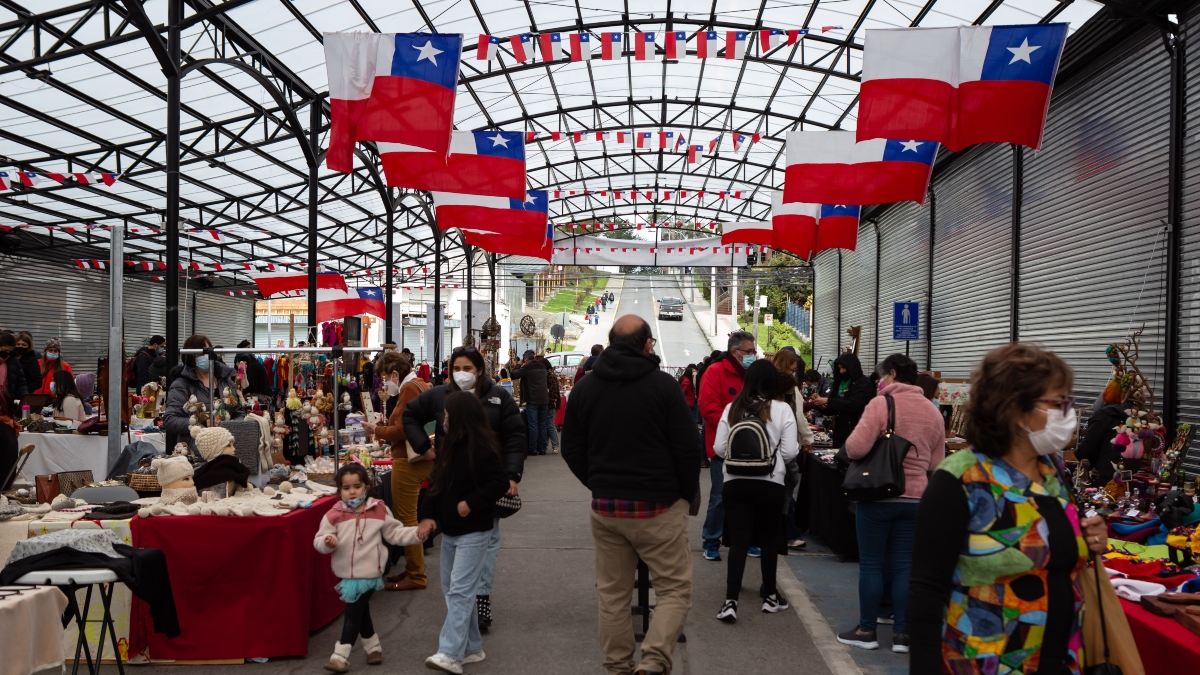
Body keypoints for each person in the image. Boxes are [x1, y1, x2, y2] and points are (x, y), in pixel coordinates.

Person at [908, 343, 1109, 673]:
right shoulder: (961, 478)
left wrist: (1090, 539)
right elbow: (926, 589)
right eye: (1056, 403)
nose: (1067, 412)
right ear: (1014, 407)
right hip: (986, 663)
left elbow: (1054, 551)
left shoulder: (1054, 470)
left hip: (1062, 659)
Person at [561, 315, 701, 675]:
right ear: (647, 344)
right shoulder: (664, 387)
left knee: (613, 595)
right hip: (659, 507)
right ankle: (653, 662)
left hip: (607, 509)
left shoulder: (586, 388)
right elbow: (687, 449)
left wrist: (598, 483)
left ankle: (618, 666)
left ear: (610, 343)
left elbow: (571, 448)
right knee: (673, 591)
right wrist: (686, 496)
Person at [404, 346, 525, 632]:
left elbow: (515, 436)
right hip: (450, 483)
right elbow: (410, 415)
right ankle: (463, 605)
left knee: (488, 539)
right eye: (456, 368)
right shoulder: (438, 396)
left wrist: (511, 475)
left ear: (480, 370)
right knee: (455, 541)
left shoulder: (498, 398)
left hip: (487, 483)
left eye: (468, 368)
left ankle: (480, 597)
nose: (462, 374)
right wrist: (425, 449)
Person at [834, 354, 947, 654]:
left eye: (880, 376)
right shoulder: (933, 412)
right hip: (916, 499)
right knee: (904, 566)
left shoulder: (881, 404)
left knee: (871, 564)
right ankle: (902, 635)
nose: (877, 382)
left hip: (878, 495)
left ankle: (866, 630)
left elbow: (856, 447)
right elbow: (936, 461)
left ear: (893, 374)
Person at [416, 392, 511, 674]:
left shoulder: (482, 448)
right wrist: (428, 517)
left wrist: (471, 503)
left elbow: (498, 483)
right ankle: (471, 647)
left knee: (459, 590)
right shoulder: (448, 447)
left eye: (447, 414)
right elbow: (435, 484)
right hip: (451, 531)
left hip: (475, 530)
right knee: (452, 590)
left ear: (458, 417)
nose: (444, 419)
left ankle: (450, 653)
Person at [711, 360, 799, 622]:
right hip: (770, 482)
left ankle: (730, 601)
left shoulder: (732, 408)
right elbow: (790, 452)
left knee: (739, 541)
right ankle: (770, 596)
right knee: (769, 540)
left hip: (734, 482)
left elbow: (718, 448)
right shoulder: (782, 409)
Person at [314, 463, 424, 672]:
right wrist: (327, 542)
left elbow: (395, 533)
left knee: (352, 612)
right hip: (345, 573)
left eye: (357, 486)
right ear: (339, 490)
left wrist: (416, 534)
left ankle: (340, 655)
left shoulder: (379, 509)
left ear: (366, 486)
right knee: (361, 611)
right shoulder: (333, 514)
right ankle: (373, 648)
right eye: (346, 488)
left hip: (370, 572)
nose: (352, 491)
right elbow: (319, 540)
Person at [362, 352, 431, 591]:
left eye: (384, 377)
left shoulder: (409, 388)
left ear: (394, 373)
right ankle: (413, 569)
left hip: (409, 460)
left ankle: (416, 574)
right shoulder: (419, 384)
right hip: (416, 458)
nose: (384, 384)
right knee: (407, 516)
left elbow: (402, 430)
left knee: (406, 518)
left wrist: (376, 430)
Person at [698, 331, 758, 562]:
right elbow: (709, 410)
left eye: (754, 352)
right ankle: (711, 540)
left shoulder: (752, 375)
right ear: (735, 352)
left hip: (753, 449)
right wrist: (739, 426)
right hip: (723, 447)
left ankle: (748, 540)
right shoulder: (715, 372)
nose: (753, 355)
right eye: (749, 352)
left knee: (749, 497)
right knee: (720, 496)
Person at [163, 334, 245, 448]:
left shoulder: (226, 381)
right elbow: (170, 420)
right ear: (191, 357)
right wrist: (200, 423)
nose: (206, 357)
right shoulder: (181, 385)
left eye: (209, 353)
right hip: (197, 451)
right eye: (202, 354)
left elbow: (239, 413)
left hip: (226, 448)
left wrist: (228, 425)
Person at [770, 349, 815, 550]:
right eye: (794, 366)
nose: (796, 369)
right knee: (787, 488)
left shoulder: (766, 384)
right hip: (785, 446)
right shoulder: (791, 389)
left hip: (766, 447)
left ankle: (790, 529)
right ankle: (788, 533)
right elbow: (798, 417)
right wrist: (808, 438)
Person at [811, 353, 873, 448]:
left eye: (844, 368)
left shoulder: (864, 384)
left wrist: (828, 401)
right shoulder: (840, 383)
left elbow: (853, 404)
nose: (841, 371)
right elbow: (834, 409)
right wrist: (820, 405)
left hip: (856, 432)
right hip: (840, 432)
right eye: (839, 368)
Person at [1076, 386, 1132, 485]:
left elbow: (1085, 450)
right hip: (1134, 476)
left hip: (1108, 479)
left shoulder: (1103, 416)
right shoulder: (1137, 416)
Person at [510, 350, 550, 457]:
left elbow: (513, 375)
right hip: (544, 399)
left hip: (532, 399)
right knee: (542, 425)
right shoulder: (542, 366)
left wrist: (518, 365)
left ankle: (533, 449)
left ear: (526, 359)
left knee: (533, 426)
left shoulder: (527, 367)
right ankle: (542, 448)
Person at [0, 333, 30, 404]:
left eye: (10, 351)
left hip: (7, 400)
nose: (7, 353)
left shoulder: (14, 361)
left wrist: (25, 396)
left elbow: (21, 382)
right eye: (5, 350)